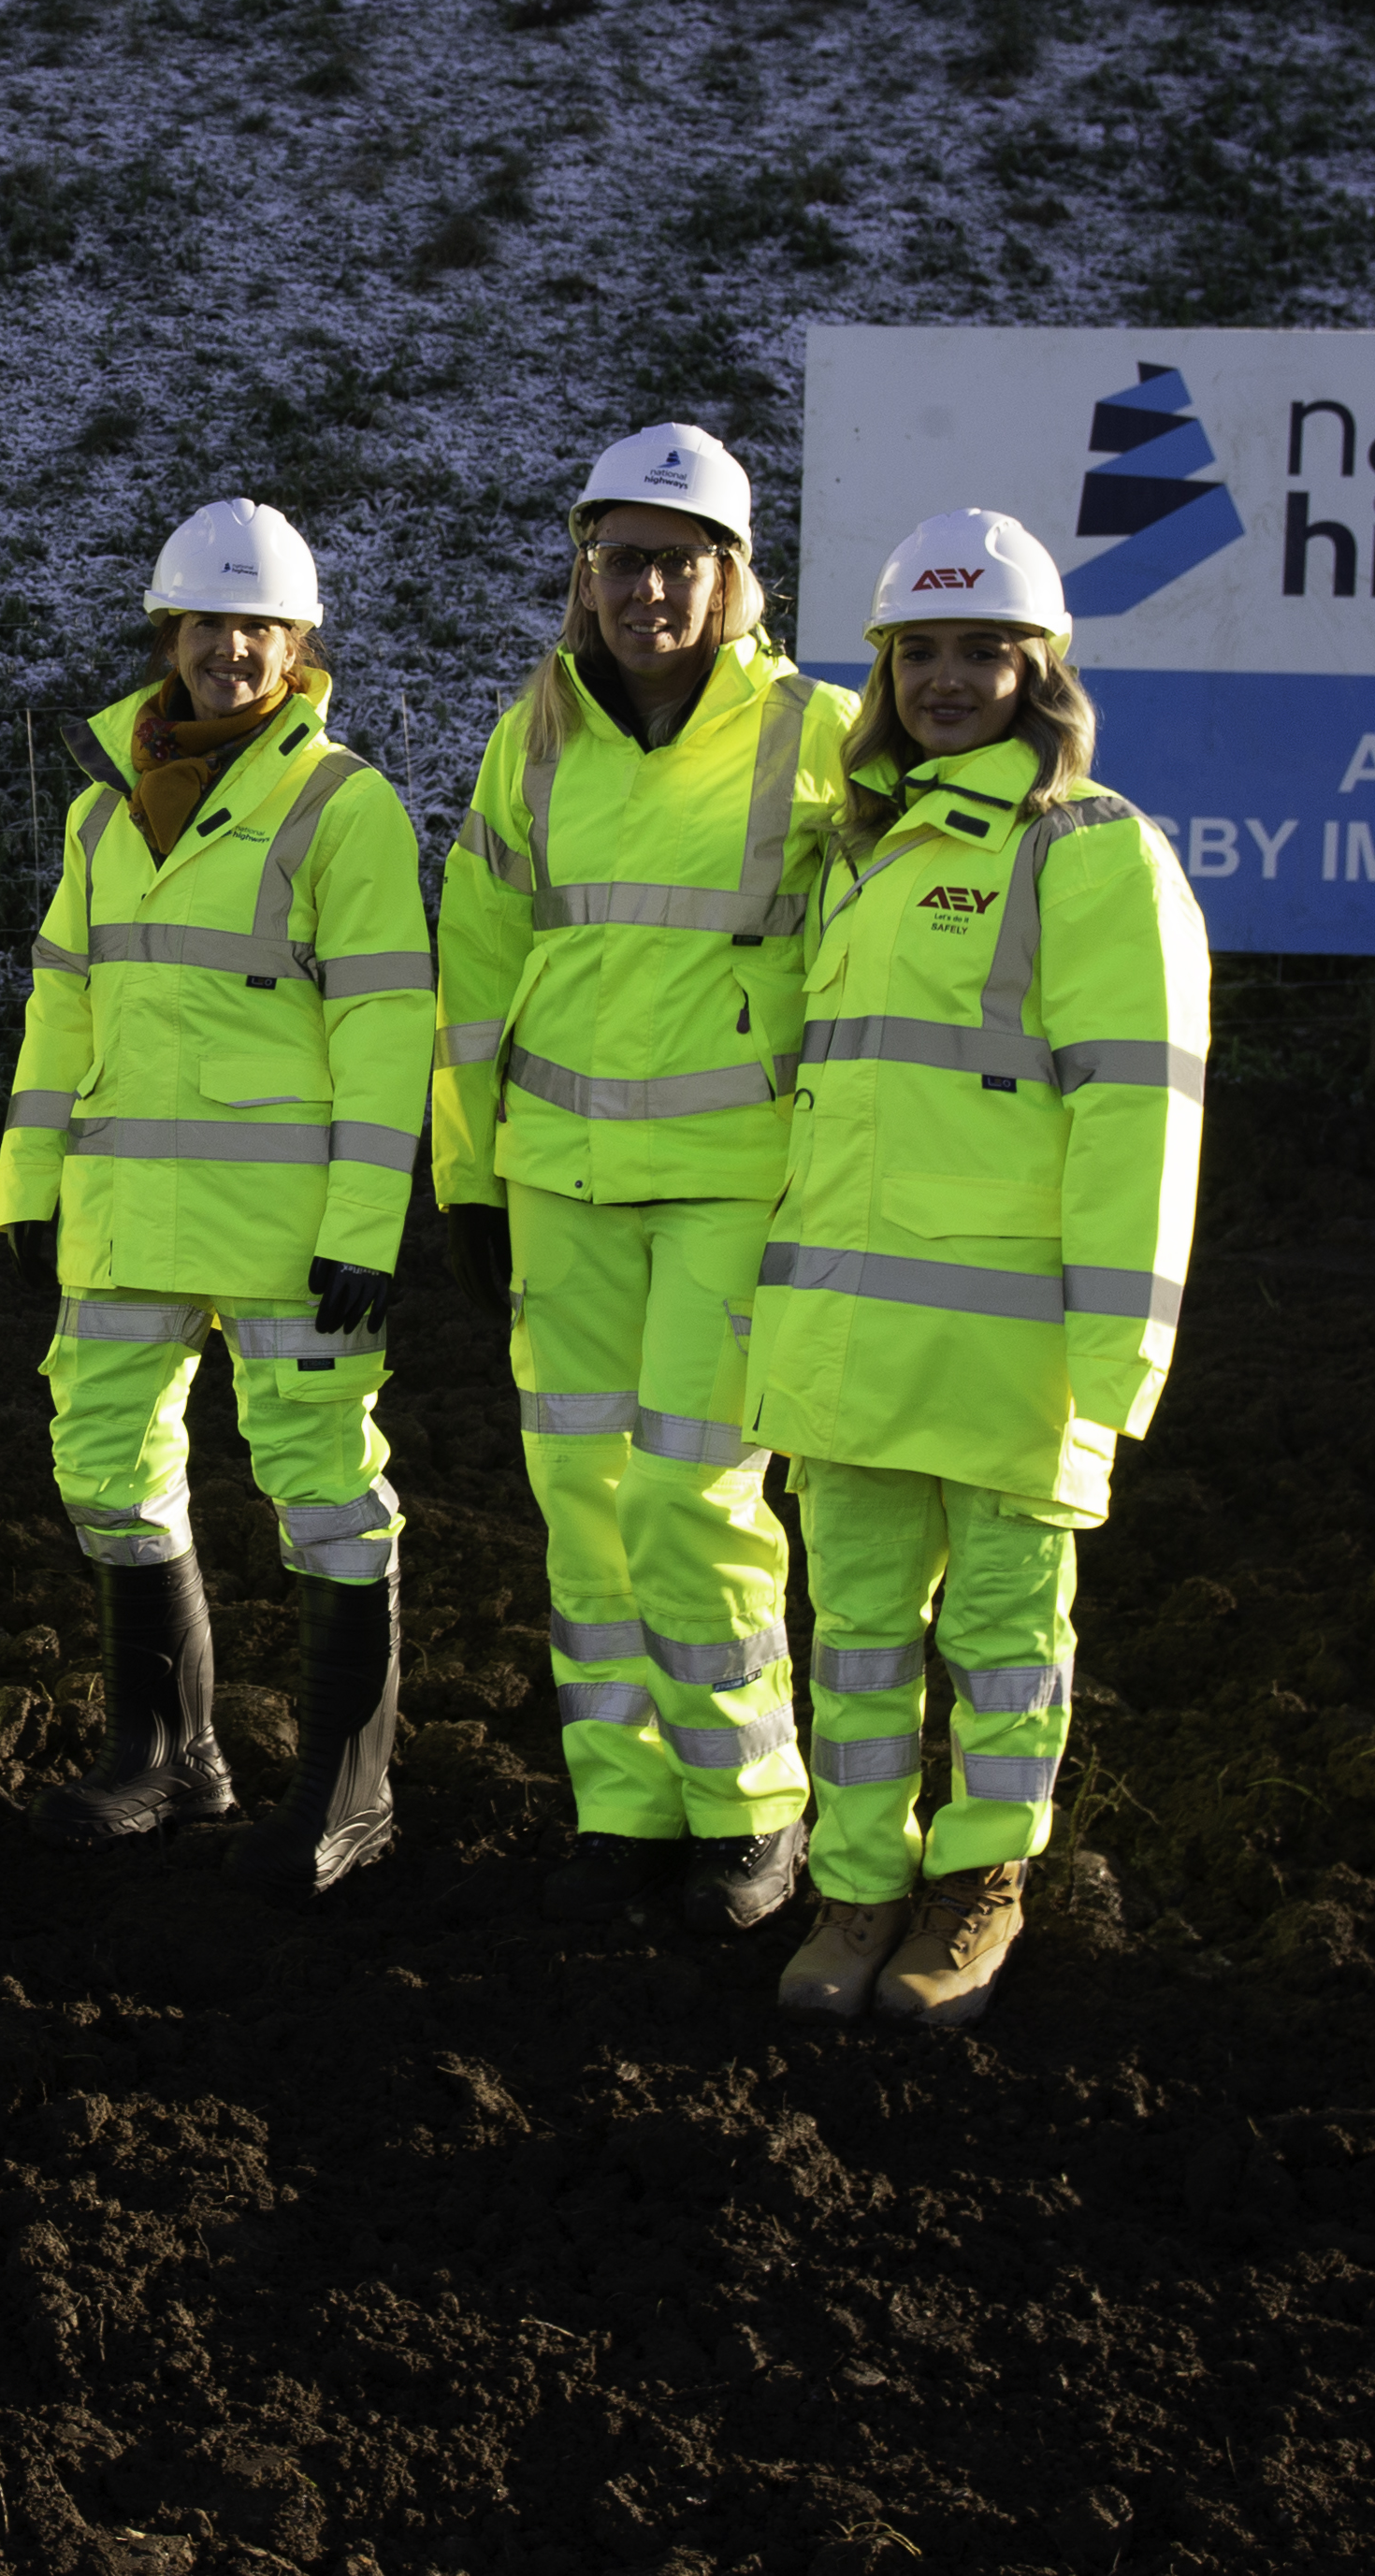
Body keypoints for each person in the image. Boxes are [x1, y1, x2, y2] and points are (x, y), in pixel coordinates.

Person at [748, 505, 1208, 2029]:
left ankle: (982, 1885)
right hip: (849, 1336)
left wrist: (1118, 1358)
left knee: (1004, 1641)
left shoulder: (1093, 853)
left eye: (985, 650)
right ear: (882, 671)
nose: (950, 679)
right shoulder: (858, 852)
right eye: (920, 651)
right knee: (860, 1635)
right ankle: (861, 1886)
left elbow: (1141, 1114)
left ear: (1044, 666)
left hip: (1014, 1348)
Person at [430, 427, 847, 1939]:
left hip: (739, 1180)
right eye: (621, 559)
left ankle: (750, 1810)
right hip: (558, 1181)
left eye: (680, 561)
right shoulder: (532, 733)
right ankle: (625, 1802)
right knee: (583, 1504)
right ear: (583, 570)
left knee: (694, 1495)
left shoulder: (826, 736)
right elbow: (474, 968)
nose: (647, 589)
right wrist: (466, 1177)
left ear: (736, 577)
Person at [0, 500, 434, 1900]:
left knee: (323, 1496)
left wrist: (369, 1226)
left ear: (299, 645)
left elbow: (385, 1026)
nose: (228, 650)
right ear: (166, 638)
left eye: (257, 627)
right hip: (125, 1217)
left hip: (287, 1236)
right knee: (103, 1474)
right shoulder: (101, 811)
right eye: (204, 626)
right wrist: (25, 1183)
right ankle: (169, 1754)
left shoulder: (341, 807)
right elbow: (60, 1010)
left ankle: (347, 1792)